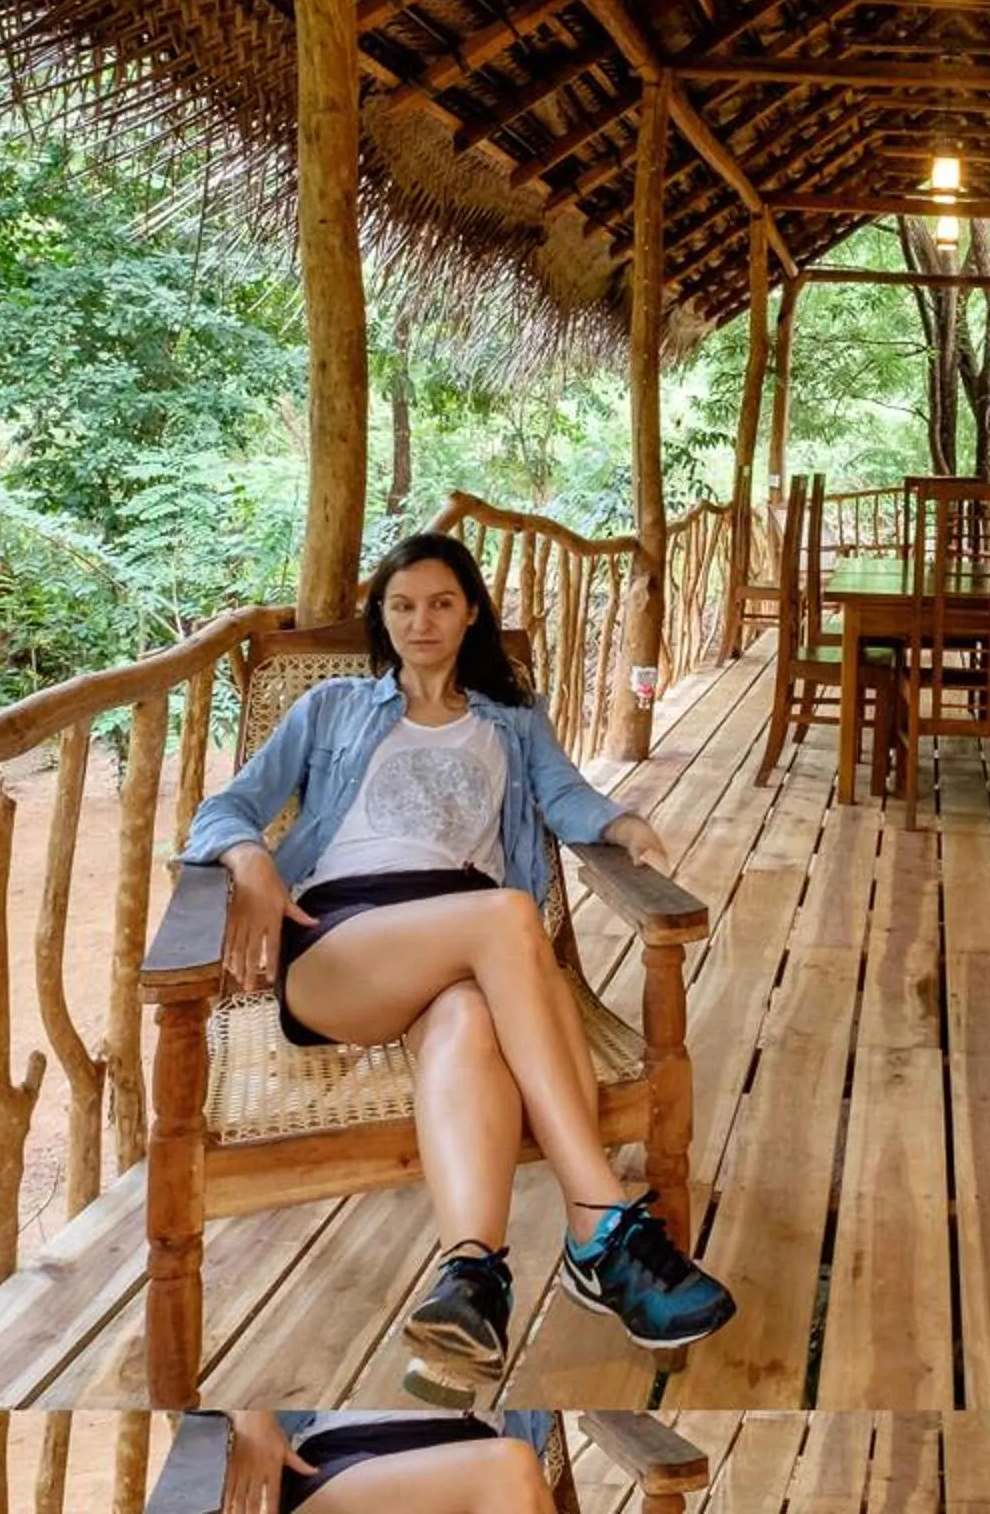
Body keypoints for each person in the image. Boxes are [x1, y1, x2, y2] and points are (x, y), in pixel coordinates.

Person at [180, 532, 735, 1401]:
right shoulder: (330, 710)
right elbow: (227, 806)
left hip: (463, 955)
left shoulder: (510, 719)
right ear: (383, 619)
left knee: (473, 1013)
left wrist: (621, 824)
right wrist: (250, 858)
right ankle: (600, 1225)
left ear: (471, 609)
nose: (420, 621)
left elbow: (565, 796)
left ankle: (471, 1277)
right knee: (512, 916)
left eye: (439, 603)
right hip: (344, 942)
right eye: (401, 606)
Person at [218, 1411, 548, 1514]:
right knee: (509, 1468)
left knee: (512, 1469)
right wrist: (250, 1415)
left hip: (472, 1451)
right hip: (342, 1463)